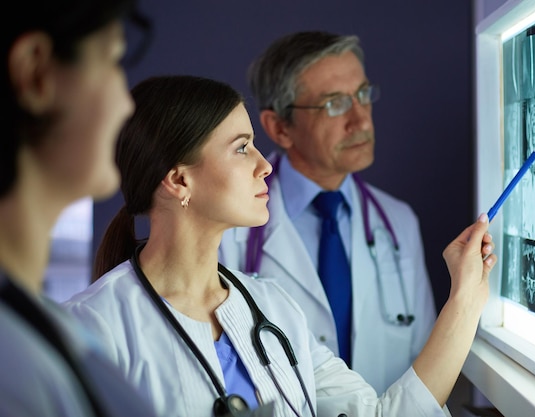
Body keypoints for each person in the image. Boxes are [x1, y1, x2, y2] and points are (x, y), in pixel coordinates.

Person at [63, 74, 497, 417]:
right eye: (241, 149)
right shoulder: (93, 329)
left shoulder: (274, 308)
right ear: (179, 180)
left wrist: (464, 297)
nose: (264, 166)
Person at [218, 30, 436, 394]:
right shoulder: (228, 228)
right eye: (335, 104)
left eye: (363, 95)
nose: (361, 121)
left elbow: (425, 367)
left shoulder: (399, 223)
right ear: (279, 127)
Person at [0, 1, 162, 416]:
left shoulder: (38, 325)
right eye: (112, 61)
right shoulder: (13, 367)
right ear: (37, 74)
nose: (126, 105)